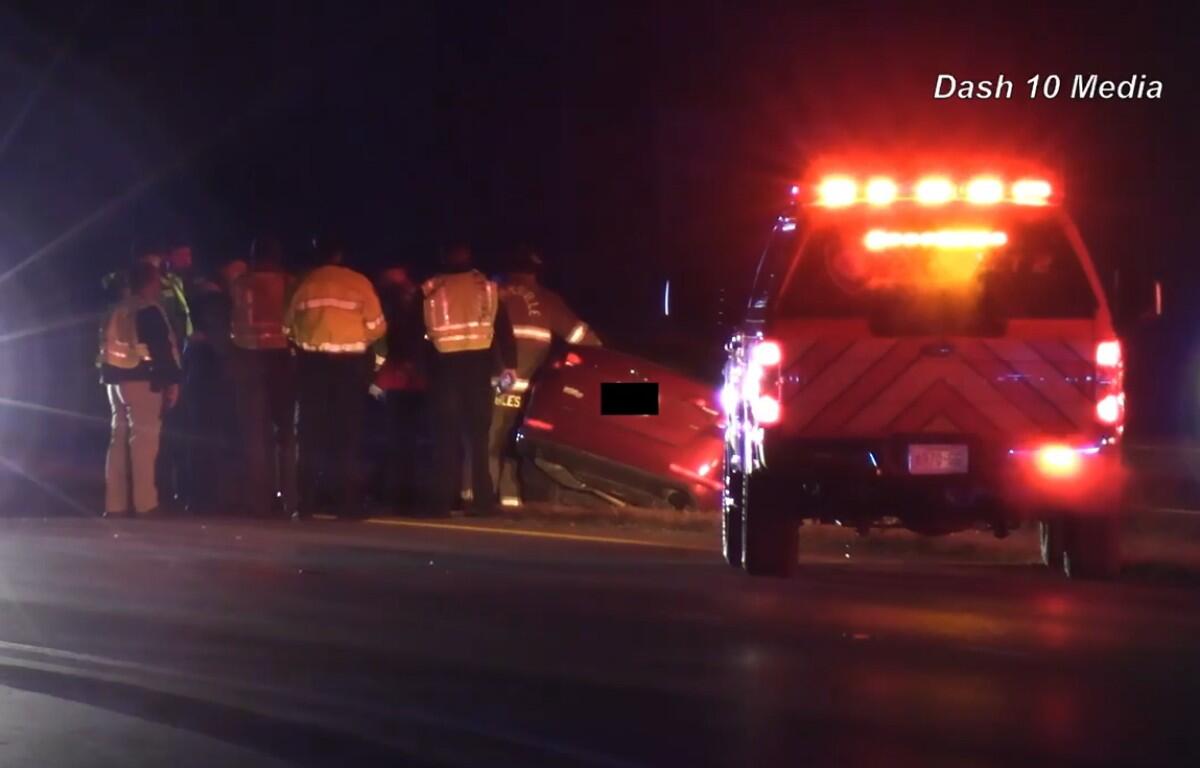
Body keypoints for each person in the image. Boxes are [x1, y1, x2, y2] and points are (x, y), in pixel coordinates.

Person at [488, 245, 600, 507]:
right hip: (529, 391)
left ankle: (481, 497)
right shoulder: (549, 301)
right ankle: (510, 500)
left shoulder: (492, 295)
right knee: (512, 444)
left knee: (487, 441)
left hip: (495, 386)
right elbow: (585, 340)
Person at [285, 238, 386, 520]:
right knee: (348, 436)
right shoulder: (359, 283)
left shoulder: (303, 283)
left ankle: (305, 504)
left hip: (312, 367)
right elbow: (378, 328)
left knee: (309, 434)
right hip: (349, 368)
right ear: (340, 254)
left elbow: (287, 326)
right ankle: (347, 504)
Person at [423, 244, 517, 517]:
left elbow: (418, 334)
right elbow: (504, 331)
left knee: (445, 439)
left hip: (444, 371)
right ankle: (483, 503)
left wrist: (423, 368)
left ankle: (442, 503)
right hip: (478, 370)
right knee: (477, 438)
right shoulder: (486, 288)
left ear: (444, 257)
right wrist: (509, 366)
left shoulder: (432, 288)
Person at [99, 261, 182, 517]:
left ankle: (115, 505)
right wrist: (171, 382)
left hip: (115, 382)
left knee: (117, 442)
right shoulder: (149, 310)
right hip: (143, 381)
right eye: (157, 281)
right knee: (144, 444)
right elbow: (162, 350)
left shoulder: (116, 310)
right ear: (149, 282)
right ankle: (146, 504)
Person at [230, 235, 297, 518]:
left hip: (247, 358)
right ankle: (292, 498)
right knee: (286, 432)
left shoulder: (240, 283)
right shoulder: (289, 283)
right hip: (281, 359)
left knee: (255, 433)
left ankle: (258, 500)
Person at [371, 265, 430, 510]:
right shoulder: (423, 300)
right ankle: (406, 494)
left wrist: (376, 378)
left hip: (398, 379)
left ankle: (396, 495)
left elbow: (382, 342)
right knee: (410, 439)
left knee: (397, 439)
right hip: (416, 380)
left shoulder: (392, 303)